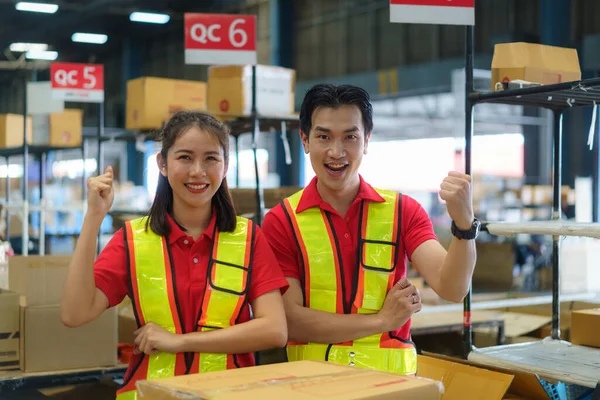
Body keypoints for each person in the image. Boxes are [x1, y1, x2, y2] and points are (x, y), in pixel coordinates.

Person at [61, 111, 289, 399]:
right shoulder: (132, 240)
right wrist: (93, 217)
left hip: (229, 393)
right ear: (162, 164)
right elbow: (74, 313)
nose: (198, 171)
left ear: (226, 165)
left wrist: (180, 342)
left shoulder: (250, 238)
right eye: (184, 157)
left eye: (210, 158)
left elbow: (275, 330)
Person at [262, 84, 478, 376]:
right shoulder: (282, 220)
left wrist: (464, 225)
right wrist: (382, 321)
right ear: (305, 140)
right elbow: (290, 320)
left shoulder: (403, 211)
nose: (336, 152)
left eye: (350, 137)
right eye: (323, 136)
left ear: (366, 141)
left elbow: (452, 288)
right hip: (312, 388)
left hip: (392, 389)